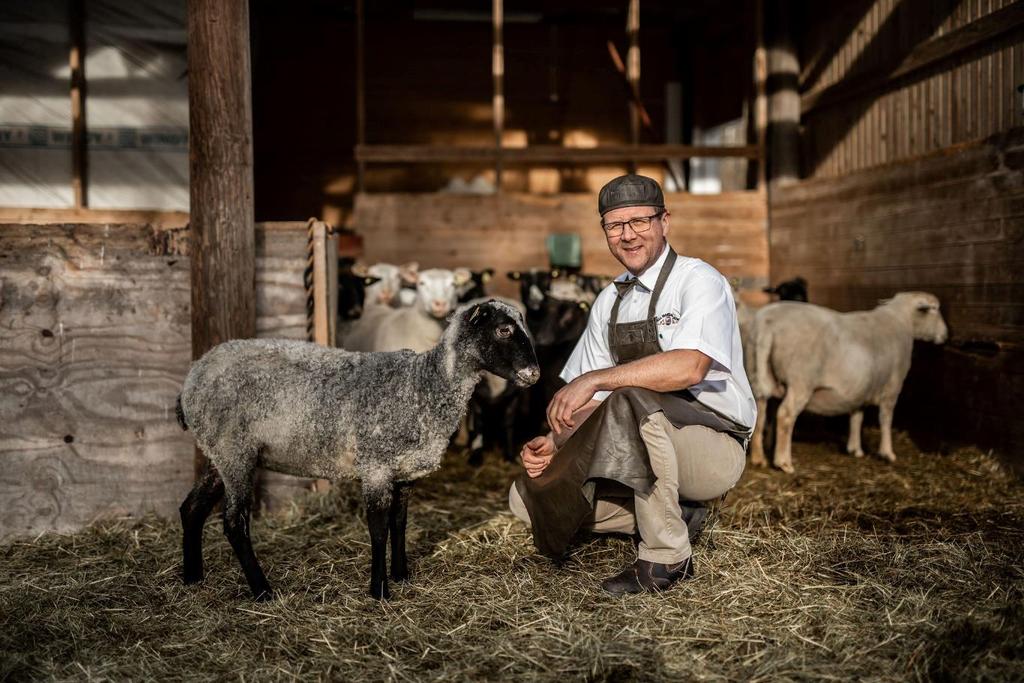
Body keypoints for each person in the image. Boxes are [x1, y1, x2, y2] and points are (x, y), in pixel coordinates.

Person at [508, 174, 756, 595]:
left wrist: (596, 379)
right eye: (615, 225)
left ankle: (666, 555)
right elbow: (593, 404)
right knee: (528, 497)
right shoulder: (610, 300)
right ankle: (680, 515)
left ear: (664, 221)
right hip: (639, 435)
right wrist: (556, 439)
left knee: (633, 401)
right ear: (605, 231)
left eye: (640, 221)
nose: (628, 235)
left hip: (712, 444)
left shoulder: (698, 280)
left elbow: (690, 367)